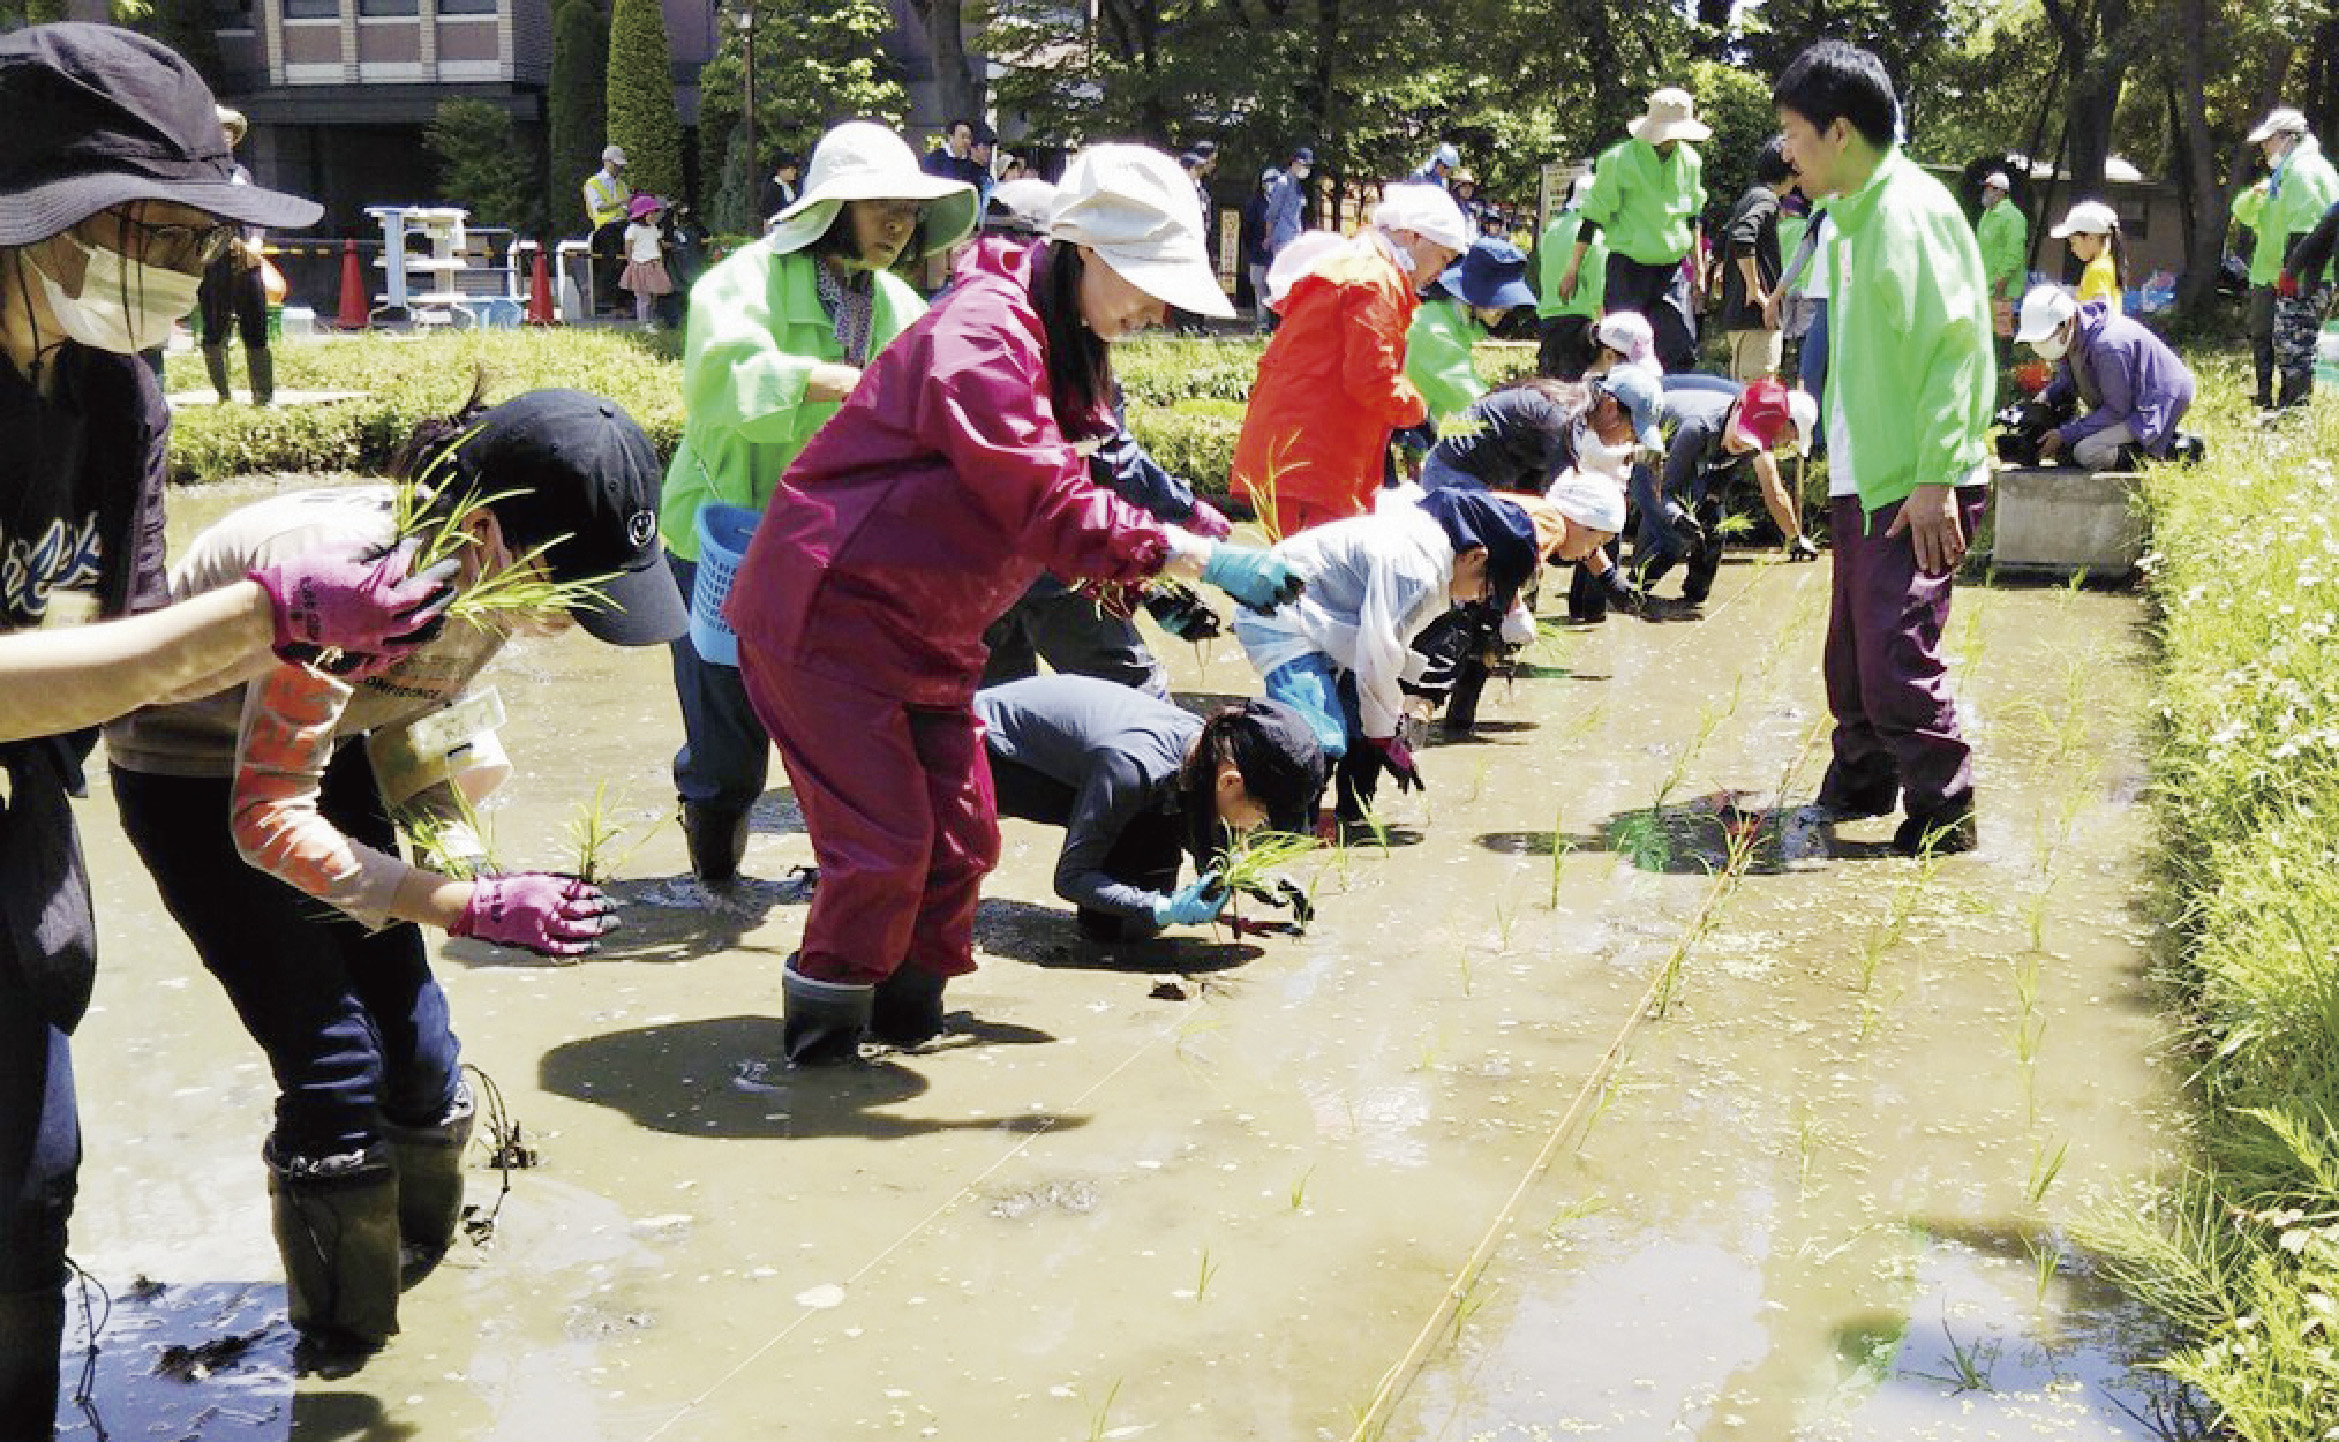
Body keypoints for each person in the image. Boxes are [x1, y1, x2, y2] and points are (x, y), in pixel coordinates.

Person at [0, 24, 457, 1434]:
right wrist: (256, 618)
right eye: (157, 227)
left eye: (204, 234)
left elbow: (101, 661)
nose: (188, 265)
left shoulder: (112, 383)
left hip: (21, 821)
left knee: (32, 1181)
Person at [105, 387, 682, 1379]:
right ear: (492, 533)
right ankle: (346, 1343)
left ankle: (423, 1262)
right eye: (573, 583)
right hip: (194, 770)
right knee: (332, 1064)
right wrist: (461, 905)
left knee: (418, 1046)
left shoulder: (496, 581)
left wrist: (470, 872)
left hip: (331, 750)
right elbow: (266, 817)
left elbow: (409, 724)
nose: (576, 614)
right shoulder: (359, 580)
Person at [722, 144, 1303, 1066]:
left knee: (960, 845)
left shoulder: (1064, 338)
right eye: (1147, 284)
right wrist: (1201, 559)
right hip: (830, 615)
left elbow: (1108, 462)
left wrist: (1189, 551)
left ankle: (908, 1026)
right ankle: (819, 1061)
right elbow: (1043, 499)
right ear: (1084, 250)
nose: (1156, 310)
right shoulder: (981, 338)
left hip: (930, 630)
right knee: (883, 851)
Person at [660, 121, 978, 893]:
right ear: (833, 212)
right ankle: (715, 876)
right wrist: (847, 383)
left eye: (907, 214)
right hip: (725, 533)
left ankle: (841, 874)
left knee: (836, 721)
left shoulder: (900, 303)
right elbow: (722, 382)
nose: (899, 228)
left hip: (833, 549)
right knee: (727, 730)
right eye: (882, 211)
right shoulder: (743, 281)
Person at [1775, 39, 1996, 857]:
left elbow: (1954, 348)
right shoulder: (1849, 215)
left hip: (1915, 482)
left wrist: (1937, 478)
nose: (1786, 152)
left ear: (1838, 132)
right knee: (1851, 652)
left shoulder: (1908, 209)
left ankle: (1946, 812)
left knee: (1895, 654)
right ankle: (1861, 781)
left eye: (1794, 134)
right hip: (1867, 473)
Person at [1232, 486, 1577, 825]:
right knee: (1318, 738)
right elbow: (1377, 658)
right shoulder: (1417, 571)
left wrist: (1383, 727)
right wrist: (1384, 736)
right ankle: (1277, 825)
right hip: (1278, 616)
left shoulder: (1437, 550)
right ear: (1475, 557)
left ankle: (1322, 818)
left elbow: (1389, 652)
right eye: (1486, 588)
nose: (1478, 598)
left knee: (1354, 724)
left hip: (1324, 620)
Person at [977, 676, 1325, 941]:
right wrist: (1163, 909)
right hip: (991, 750)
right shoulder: (1134, 767)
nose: (1260, 826)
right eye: (1264, 816)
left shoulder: (1206, 749)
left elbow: (1200, 820)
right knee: (1120, 924)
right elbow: (1070, 878)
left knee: (1163, 841)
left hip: (1091, 760)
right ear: (1231, 782)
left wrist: (1245, 876)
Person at [1231, 183, 1470, 535]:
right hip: (1314, 460)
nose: (1442, 270)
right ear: (1414, 236)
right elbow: (1371, 378)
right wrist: (1418, 412)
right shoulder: (1376, 279)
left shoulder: (1357, 265)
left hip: (1299, 454)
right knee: (1315, 581)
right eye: (1444, 257)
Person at [1560, 88, 1710, 373]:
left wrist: (1699, 270)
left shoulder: (1690, 161)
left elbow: (1693, 216)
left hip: (1671, 269)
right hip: (1628, 269)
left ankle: (1671, 409)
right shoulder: (1618, 159)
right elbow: (1594, 216)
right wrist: (1573, 267)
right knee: (1621, 348)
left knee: (1678, 347)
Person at [1639, 377, 1820, 606]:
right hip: (1656, 434)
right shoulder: (1704, 426)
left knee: (1713, 528)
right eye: (1791, 438)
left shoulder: (1756, 439)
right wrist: (1676, 517)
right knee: (1672, 528)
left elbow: (1724, 475)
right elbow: (1664, 491)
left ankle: (1693, 596)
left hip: (1703, 436)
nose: (1787, 445)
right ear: (1786, 423)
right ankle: (1633, 588)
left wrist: (1711, 504)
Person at [2012, 286, 2197, 470]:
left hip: (2155, 404)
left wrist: (2065, 434)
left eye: (2044, 338)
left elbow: (2117, 411)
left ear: (2067, 322)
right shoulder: (2072, 336)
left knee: (2087, 452)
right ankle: (2138, 443)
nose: (2041, 345)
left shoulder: (2108, 345)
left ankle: (2163, 451)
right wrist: (2043, 399)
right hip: (2125, 404)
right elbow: (2069, 381)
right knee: (2071, 446)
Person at [2252, 107, 2339, 411]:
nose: (2265, 148)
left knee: (2295, 348)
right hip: (2309, 274)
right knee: (2293, 346)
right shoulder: (2306, 168)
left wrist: (2291, 275)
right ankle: (2288, 410)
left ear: (2288, 138)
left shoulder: (2302, 172)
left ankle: (2293, 415)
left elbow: (2307, 229)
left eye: (2268, 141)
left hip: (2305, 276)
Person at [1405, 237, 1539, 427]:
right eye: (1500, 301)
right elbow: (1474, 403)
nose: (1507, 308)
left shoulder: (1457, 322)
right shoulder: (1435, 330)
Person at [195, 105, 276, 406]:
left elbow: (255, 215)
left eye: (230, 133)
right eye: (220, 133)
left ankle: (263, 396)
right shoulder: (196, 174)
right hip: (213, 258)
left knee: (255, 322)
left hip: (247, 257)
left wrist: (256, 242)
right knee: (215, 326)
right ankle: (223, 395)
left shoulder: (242, 174)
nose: (225, 138)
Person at [1716, 137, 1793, 383]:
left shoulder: (1750, 196)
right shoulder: (1765, 200)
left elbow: (1725, 237)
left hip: (1741, 317)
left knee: (1746, 392)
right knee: (1757, 396)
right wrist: (1755, 289)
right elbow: (1742, 235)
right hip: (1756, 319)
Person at [1534, 175, 1606, 379]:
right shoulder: (1596, 236)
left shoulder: (1552, 230)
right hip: (1579, 328)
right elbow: (1598, 291)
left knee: (1549, 394)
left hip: (1548, 321)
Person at [2233, 176, 2280, 409]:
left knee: (2290, 342)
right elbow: (2240, 209)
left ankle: (2290, 400)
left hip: (2296, 278)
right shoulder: (2268, 198)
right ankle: (2264, 394)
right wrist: (2255, 191)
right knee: (2262, 337)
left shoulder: (2303, 199)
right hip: (2264, 279)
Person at [1973, 170, 2028, 346]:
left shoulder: (2013, 217)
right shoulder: (1988, 214)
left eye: (1988, 189)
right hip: (1986, 285)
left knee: (2001, 333)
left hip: (2002, 289)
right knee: (1986, 334)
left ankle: (2004, 370)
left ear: (2000, 192)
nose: (1985, 193)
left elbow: (2014, 253)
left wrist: (2001, 280)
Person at [2049, 200, 2124, 311]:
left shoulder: (2098, 269)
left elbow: (2098, 314)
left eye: (2073, 242)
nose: (2072, 249)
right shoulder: (2105, 263)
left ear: (2091, 238)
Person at [583, 145, 631, 315]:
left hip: (623, 226)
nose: (619, 168)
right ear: (606, 162)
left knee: (629, 260)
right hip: (605, 228)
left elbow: (627, 208)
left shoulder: (622, 184)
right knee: (613, 261)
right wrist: (621, 202)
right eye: (616, 164)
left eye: (621, 165)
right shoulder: (593, 183)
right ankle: (610, 302)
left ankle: (626, 301)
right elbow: (598, 208)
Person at [619, 193, 673, 328]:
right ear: (641, 215)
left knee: (653, 296)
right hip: (639, 265)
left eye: (655, 213)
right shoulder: (633, 229)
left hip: (654, 264)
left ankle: (650, 321)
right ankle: (643, 324)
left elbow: (657, 244)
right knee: (643, 298)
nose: (654, 216)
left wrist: (660, 260)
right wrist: (630, 263)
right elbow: (628, 247)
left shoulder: (654, 228)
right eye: (651, 213)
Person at [1241, 166, 1280, 331]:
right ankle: (1262, 324)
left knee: (1277, 290)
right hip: (1258, 254)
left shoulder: (1285, 203)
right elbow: (1247, 229)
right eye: (1268, 182)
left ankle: (1277, 325)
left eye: (1275, 181)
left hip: (1278, 256)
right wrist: (1253, 247)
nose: (1271, 185)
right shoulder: (1255, 204)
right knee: (1260, 289)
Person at [757, 154, 800, 227]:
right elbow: (768, 217)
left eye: (795, 169)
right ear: (781, 170)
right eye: (792, 169)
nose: (795, 172)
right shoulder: (773, 187)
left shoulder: (789, 187)